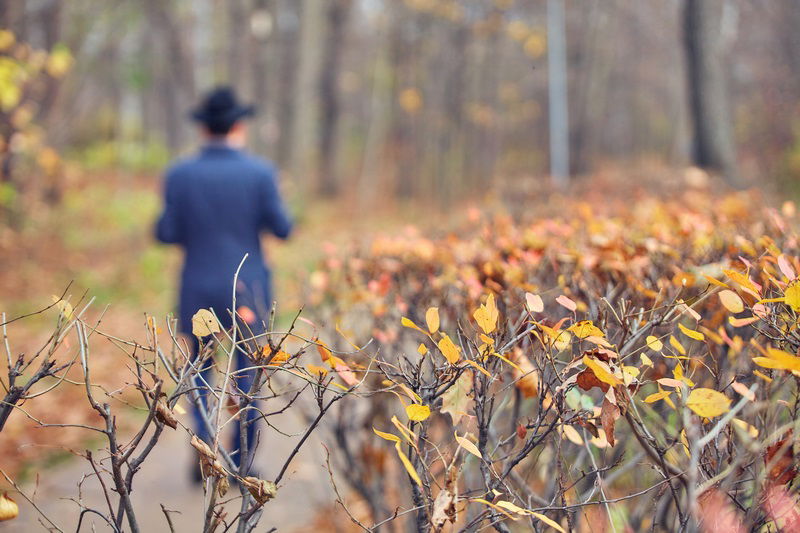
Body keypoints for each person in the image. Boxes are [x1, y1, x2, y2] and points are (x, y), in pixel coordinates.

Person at [155, 86, 292, 479]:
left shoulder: (179, 174)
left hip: (197, 285)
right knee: (248, 373)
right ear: (238, 125)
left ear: (203, 129)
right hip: (249, 287)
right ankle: (242, 457)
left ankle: (204, 456)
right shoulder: (261, 172)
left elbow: (165, 233)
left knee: (200, 372)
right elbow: (282, 228)